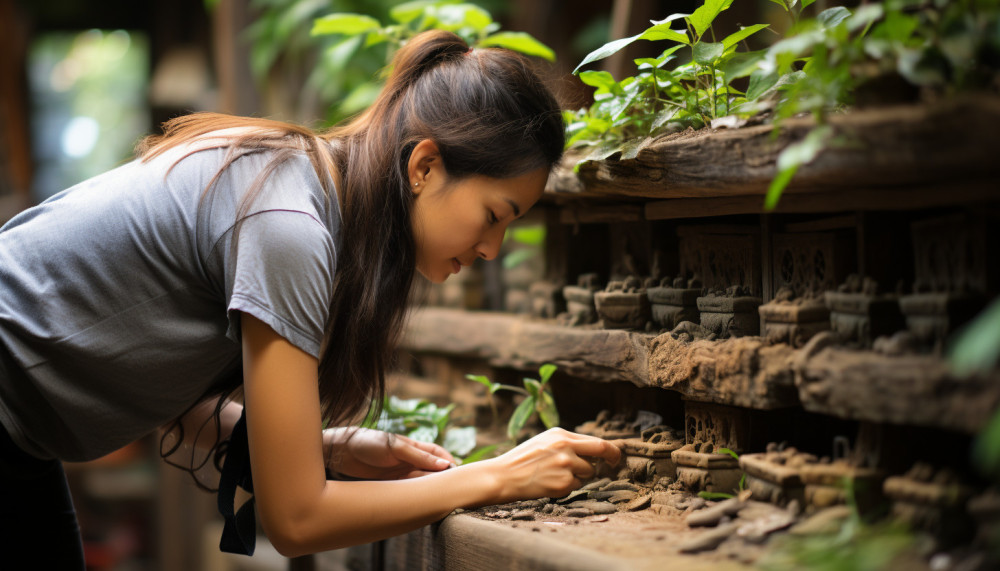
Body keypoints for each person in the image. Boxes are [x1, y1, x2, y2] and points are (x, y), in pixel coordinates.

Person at [0, 29, 621, 566]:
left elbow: (157, 394)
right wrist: (497, 476)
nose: (492, 247)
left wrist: (317, 446)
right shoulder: (289, 224)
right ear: (425, 166)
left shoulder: (304, 188)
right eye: (493, 214)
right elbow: (297, 521)